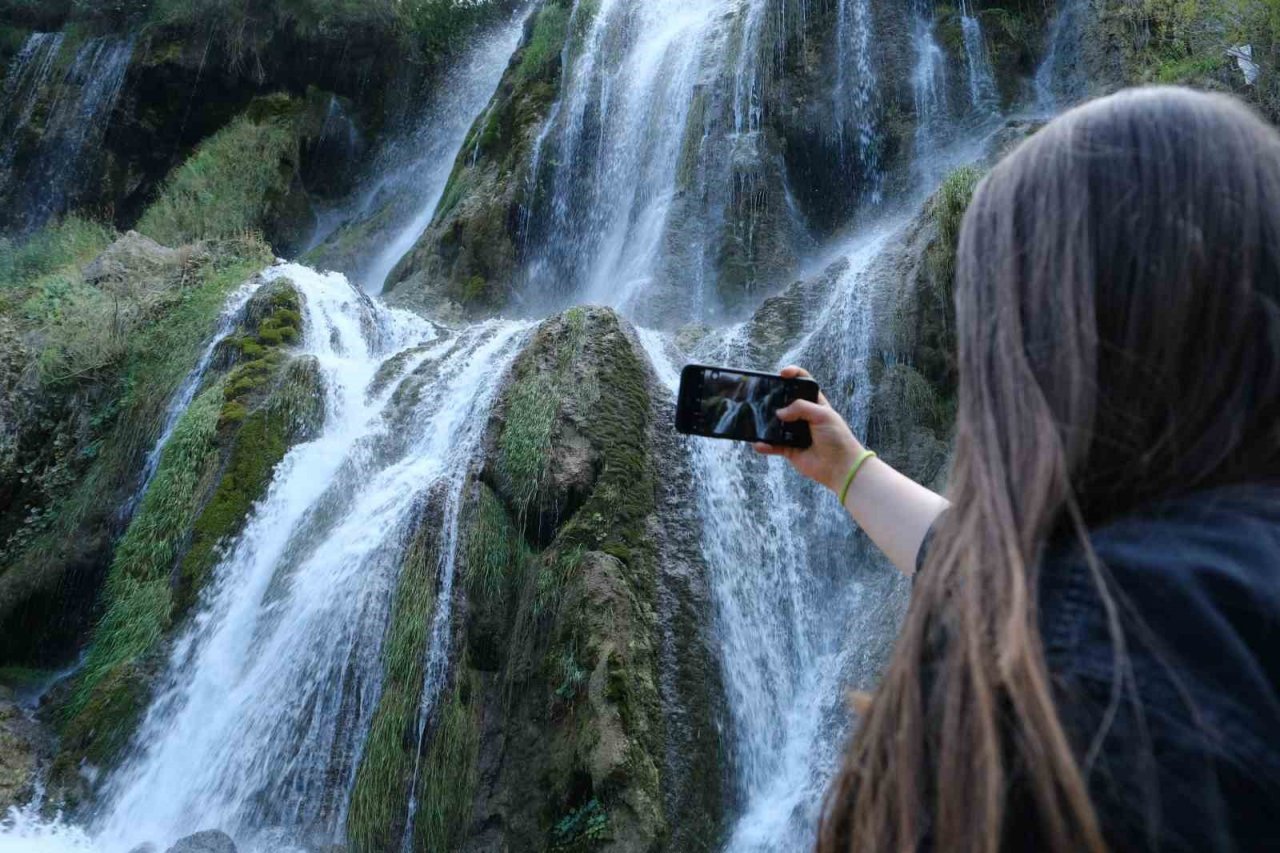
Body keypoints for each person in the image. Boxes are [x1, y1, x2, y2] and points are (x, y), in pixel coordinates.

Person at [756, 87, 1280, 852]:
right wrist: (848, 469)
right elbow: (986, 566)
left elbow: (1051, 600)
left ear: (1050, 349)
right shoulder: (1201, 581)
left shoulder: (1051, 687)